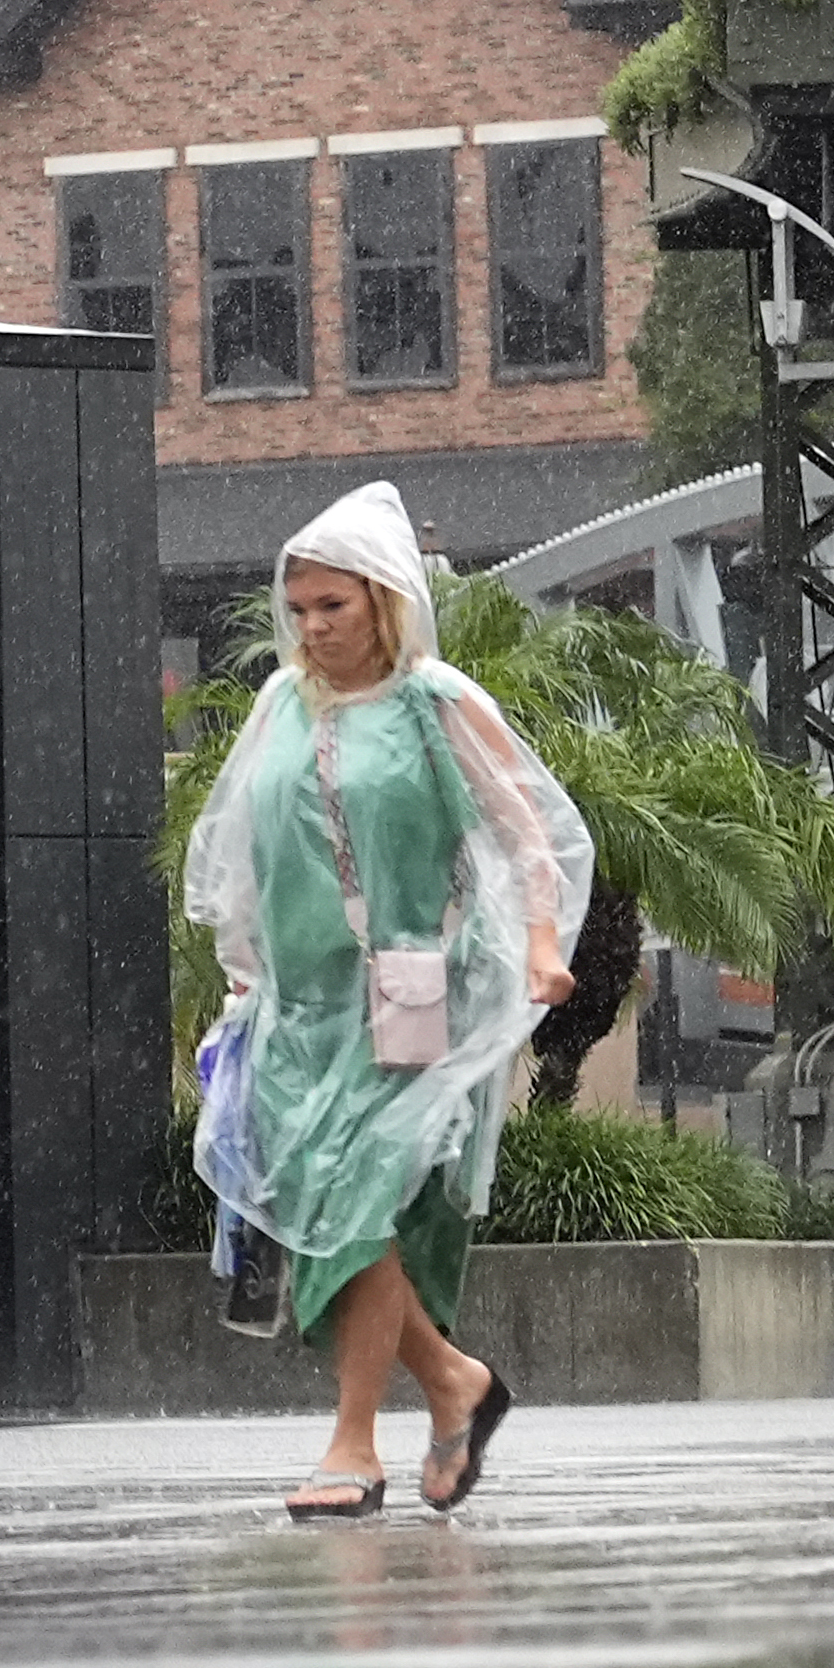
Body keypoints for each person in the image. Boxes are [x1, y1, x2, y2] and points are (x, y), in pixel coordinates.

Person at [185, 483, 590, 1519]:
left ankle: (352, 1444)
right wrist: (240, 973)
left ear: (384, 602)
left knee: (358, 1203)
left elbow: (524, 833)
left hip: (411, 1000)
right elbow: (239, 844)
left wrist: (540, 949)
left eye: (334, 607)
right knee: (323, 1210)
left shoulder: (435, 702)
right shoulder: (279, 704)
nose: (313, 629)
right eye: (301, 609)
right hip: (297, 1009)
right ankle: (455, 1382)